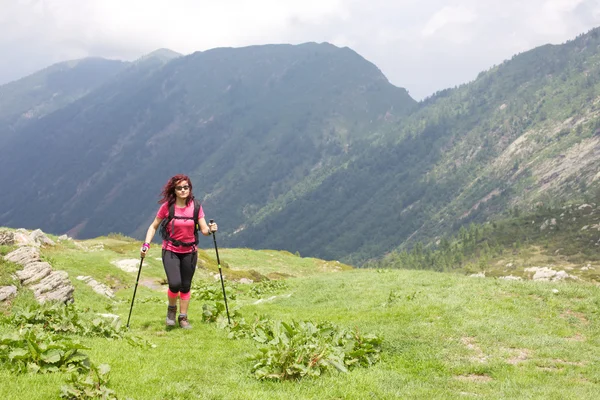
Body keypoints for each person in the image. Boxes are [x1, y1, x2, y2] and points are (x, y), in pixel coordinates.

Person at [140, 174, 217, 329]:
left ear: (190, 189)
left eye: (185, 187)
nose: (183, 190)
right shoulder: (167, 207)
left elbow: (204, 230)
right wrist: (146, 245)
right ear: (174, 190)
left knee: (186, 285)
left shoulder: (196, 207)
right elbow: (153, 226)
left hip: (190, 251)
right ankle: (171, 310)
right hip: (170, 250)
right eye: (179, 188)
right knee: (175, 284)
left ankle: (183, 317)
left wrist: (211, 230)